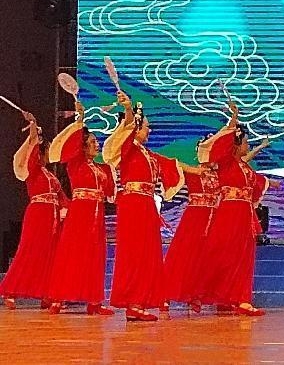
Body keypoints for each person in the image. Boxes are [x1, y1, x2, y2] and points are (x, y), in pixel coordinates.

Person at [103, 91, 189, 321]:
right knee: (134, 251)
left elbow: (173, 165)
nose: (149, 131)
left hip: (146, 204)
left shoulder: (147, 154)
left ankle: (139, 302)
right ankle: (132, 302)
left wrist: (200, 170)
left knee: (146, 252)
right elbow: (127, 128)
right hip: (133, 204)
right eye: (146, 127)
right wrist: (128, 109)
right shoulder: (128, 148)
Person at [197, 102, 270, 316]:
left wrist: (269, 183)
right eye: (245, 142)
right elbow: (223, 144)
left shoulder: (243, 167)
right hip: (229, 213)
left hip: (244, 214)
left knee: (243, 255)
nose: (247, 145)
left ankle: (239, 298)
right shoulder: (227, 162)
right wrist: (234, 118)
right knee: (228, 255)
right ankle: (226, 296)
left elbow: (255, 182)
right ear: (236, 145)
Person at [46, 102, 116, 315]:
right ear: (83, 147)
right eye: (92, 142)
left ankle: (94, 301)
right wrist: (80, 119)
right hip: (79, 214)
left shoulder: (101, 168)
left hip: (97, 214)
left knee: (95, 255)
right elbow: (73, 144)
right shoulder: (75, 163)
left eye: (96, 141)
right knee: (71, 253)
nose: (97, 144)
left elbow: (110, 192)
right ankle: (58, 298)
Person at [0, 112, 68, 309]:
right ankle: (9, 291)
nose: (49, 153)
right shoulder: (34, 170)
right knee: (29, 251)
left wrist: (71, 209)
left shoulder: (50, 175)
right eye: (47, 150)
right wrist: (34, 126)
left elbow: (62, 197)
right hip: (38, 214)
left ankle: (48, 294)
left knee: (50, 255)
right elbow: (32, 146)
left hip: (53, 217)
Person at [162, 144, 221, 314]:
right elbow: (174, 164)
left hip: (213, 217)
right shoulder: (193, 172)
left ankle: (196, 294)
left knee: (205, 257)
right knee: (184, 254)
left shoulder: (219, 174)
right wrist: (193, 170)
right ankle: (165, 294)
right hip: (195, 217)